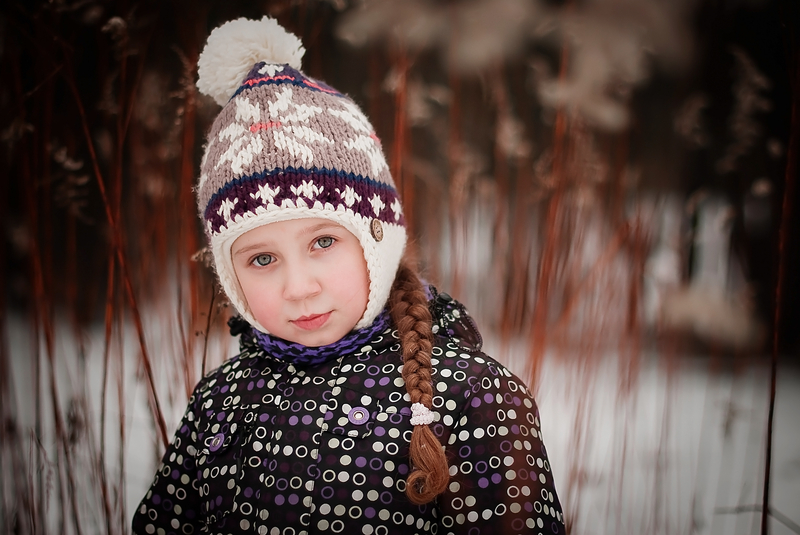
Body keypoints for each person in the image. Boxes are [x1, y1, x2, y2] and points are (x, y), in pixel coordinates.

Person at [132, 16, 564, 535]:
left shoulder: (471, 396)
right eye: (262, 259)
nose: (299, 288)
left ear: (378, 242)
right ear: (230, 276)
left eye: (323, 242)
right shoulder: (220, 403)